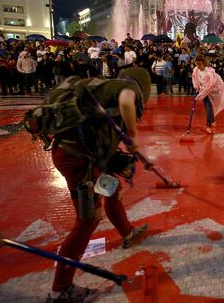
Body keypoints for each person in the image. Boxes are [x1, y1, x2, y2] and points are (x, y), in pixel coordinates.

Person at [45, 68, 152, 303]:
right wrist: (132, 135)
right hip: (77, 158)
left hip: (82, 153)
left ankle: (127, 233)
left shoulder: (102, 89)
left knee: (111, 186)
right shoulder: (128, 88)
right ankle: (60, 290)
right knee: (88, 220)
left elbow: (98, 129)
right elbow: (126, 100)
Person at [192, 55, 224, 134]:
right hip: (204, 88)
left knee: (209, 106)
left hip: (214, 88)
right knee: (206, 105)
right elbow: (195, 79)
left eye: (200, 64)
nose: (198, 66)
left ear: (204, 64)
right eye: (197, 64)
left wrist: (199, 96)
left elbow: (209, 87)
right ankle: (212, 121)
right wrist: (197, 88)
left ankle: (208, 125)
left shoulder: (209, 73)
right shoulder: (196, 69)